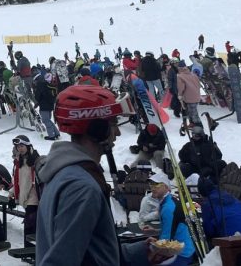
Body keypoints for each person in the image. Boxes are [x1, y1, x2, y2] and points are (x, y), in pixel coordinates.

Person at [35, 84, 156, 265]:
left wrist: (140, 252)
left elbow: (92, 253)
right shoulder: (81, 187)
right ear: (97, 130)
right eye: (113, 124)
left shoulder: (64, 174)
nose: (117, 132)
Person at [149, 176, 196, 266]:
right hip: (185, 248)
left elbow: (165, 241)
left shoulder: (167, 208)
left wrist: (152, 253)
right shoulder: (169, 200)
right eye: (151, 184)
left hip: (180, 254)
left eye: (157, 184)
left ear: (166, 187)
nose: (153, 187)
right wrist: (155, 231)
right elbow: (174, 226)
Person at [11, 135, 41, 236]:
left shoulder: (35, 160)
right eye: (18, 146)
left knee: (29, 229)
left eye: (22, 146)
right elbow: (18, 180)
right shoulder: (18, 161)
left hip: (34, 198)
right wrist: (12, 193)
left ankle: (28, 250)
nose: (20, 148)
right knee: (31, 228)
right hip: (25, 198)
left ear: (28, 146)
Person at [175, 62, 202, 128]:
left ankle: (199, 127)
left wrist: (180, 95)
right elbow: (199, 85)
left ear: (179, 68)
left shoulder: (180, 76)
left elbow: (181, 88)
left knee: (193, 113)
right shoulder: (193, 74)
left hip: (189, 97)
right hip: (196, 96)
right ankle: (192, 124)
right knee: (191, 111)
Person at [34, 73, 60, 140]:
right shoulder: (48, 85)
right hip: (50, 104)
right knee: (48, 120)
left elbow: (37, 96)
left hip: (44, 105)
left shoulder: (41, 85)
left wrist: (37, 102)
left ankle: (51, 135)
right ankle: (56, 133)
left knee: (45, 120)